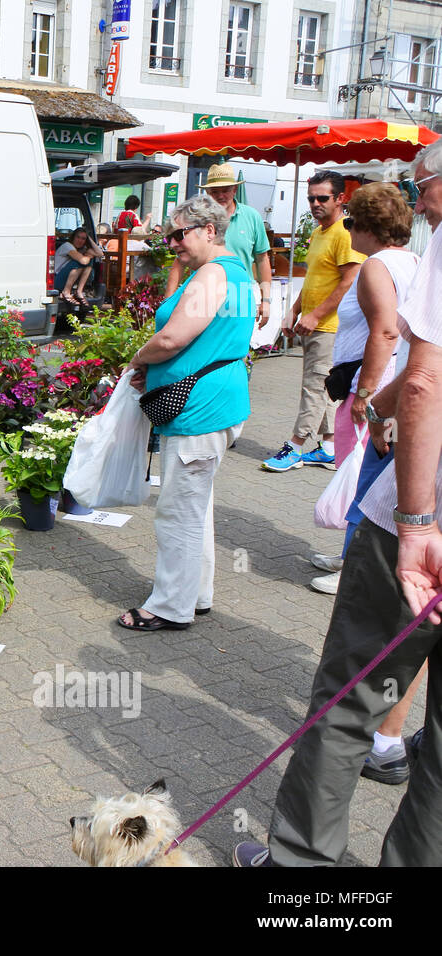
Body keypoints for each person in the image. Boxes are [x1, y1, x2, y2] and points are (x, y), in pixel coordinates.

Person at [233, 160, 442, 866]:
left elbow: (425, 376)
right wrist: (375, 406)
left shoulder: (419, 253)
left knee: (348, 698)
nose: (419, 193)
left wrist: (415, 522)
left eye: (425, 178)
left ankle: (303, 875)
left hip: (424, 520)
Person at [118, 195, 254, 631]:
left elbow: (173, 339)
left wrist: (139, 359)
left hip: (199, 410)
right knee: (197, 506)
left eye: (179, 234)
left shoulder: (213, 274)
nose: (172, 243)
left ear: (209, 231)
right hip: (215, 402)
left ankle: (169, 607)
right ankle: (196, 595)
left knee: (179, 511)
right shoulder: (235, 273)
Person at [310, 182, 420, 598]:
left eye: (353, 220)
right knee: (367, 475)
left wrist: (366, 396)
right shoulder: (412, 261)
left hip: (376, 385)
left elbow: (386, 331)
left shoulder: (377, 266)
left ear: (369, 225)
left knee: (364, 478)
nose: (349, 229)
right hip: (393, 382)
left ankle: (353, 570)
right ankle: (348, 557)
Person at [262, 170, 366, 472]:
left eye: (323, 198)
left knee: (314, 387)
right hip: (313, 322)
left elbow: (349, 280)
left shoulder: (344, 232)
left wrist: (316, 314)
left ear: (340, 198)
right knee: (324, 387)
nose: (315, 203)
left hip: (329, 326)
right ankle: (330, 447)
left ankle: (294, 446)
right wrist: (294, 310)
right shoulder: (319, 232)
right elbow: (314, 280)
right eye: (311, 198)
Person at [164, 162, 272, 326]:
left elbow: (263, 260)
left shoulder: (252, 217)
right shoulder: (198, 220)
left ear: (234, 190)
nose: (220, 195)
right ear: (207, 193)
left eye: (225, 190)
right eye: (215, 191)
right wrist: (168, 301)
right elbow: (179, 261)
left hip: (241, 292)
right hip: (203, 290)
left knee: (236, 345)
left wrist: (266, 300)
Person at [55, 227, 105, 307]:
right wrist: (89, 256)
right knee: (81, 262)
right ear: (73, 237)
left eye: (83, 239)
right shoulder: (67, 246)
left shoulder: (81, 249)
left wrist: (89, 239)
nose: (80, 240)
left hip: (65, 280)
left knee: (88, 264)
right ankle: (66, 292)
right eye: (78, 237)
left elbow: (100, 254)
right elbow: (83, 261)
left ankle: (79, 291)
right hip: (56, 280)